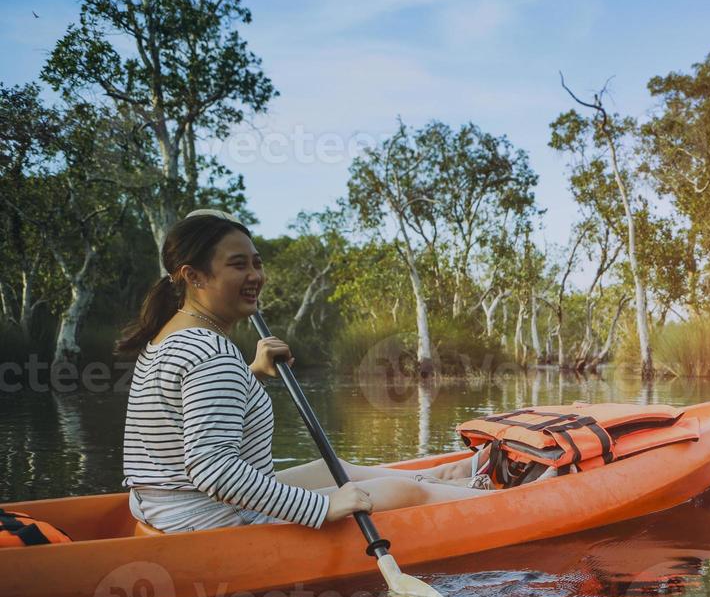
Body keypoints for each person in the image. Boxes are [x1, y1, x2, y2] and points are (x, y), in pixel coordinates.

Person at [119, 210, 483, 534]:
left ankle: (453, 476)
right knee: (405, 493)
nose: (255, 276)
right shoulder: (213, 353)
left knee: (334, 468)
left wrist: (251, 374)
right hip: (212, 520)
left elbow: (190, 410)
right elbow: (213, 468)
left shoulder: (172, 337)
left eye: (256, 263)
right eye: (238, 265)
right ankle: (494, 502)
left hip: (165, 509)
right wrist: (324, 508)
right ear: (193, 276)